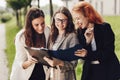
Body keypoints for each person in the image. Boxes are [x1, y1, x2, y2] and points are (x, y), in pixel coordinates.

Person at [47, 1, 120, 80]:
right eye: (75, 19)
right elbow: (82, 56)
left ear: (88, 15)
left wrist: (88, 54)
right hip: (90, 71)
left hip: (108, 70)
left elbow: (108, 52)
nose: (77, 22)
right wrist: (87, 42)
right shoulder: (80, 32)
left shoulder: (105, 28)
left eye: (78, 18)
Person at [10, 7, 50, 80]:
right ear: (30, 24)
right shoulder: (21, 37)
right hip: (27, 74)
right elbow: (22, 64)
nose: (41, 27)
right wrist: (29, 61)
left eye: (42, 23)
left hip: (43, 72)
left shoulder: (48, 30)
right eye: (36, 25)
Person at [44, 6, 79, 80]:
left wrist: (59, 62)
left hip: (65, 77)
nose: (60, 23)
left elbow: (73, 64)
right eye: (58, 20)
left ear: (68, 21)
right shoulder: (52, 34)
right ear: (54, 20)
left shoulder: (72, 36)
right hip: (51, 75)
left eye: (64, 20)